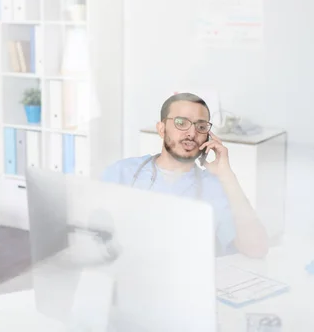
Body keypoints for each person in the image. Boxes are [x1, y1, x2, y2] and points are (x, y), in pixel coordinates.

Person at [101, 93, 269, 258]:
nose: (192, 133)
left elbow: (256, 248)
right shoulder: (122, 173)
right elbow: (91, 234)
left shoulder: (214, 187)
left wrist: (227, 176)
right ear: (161, 129)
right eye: (181, 123)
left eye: (201, 127)